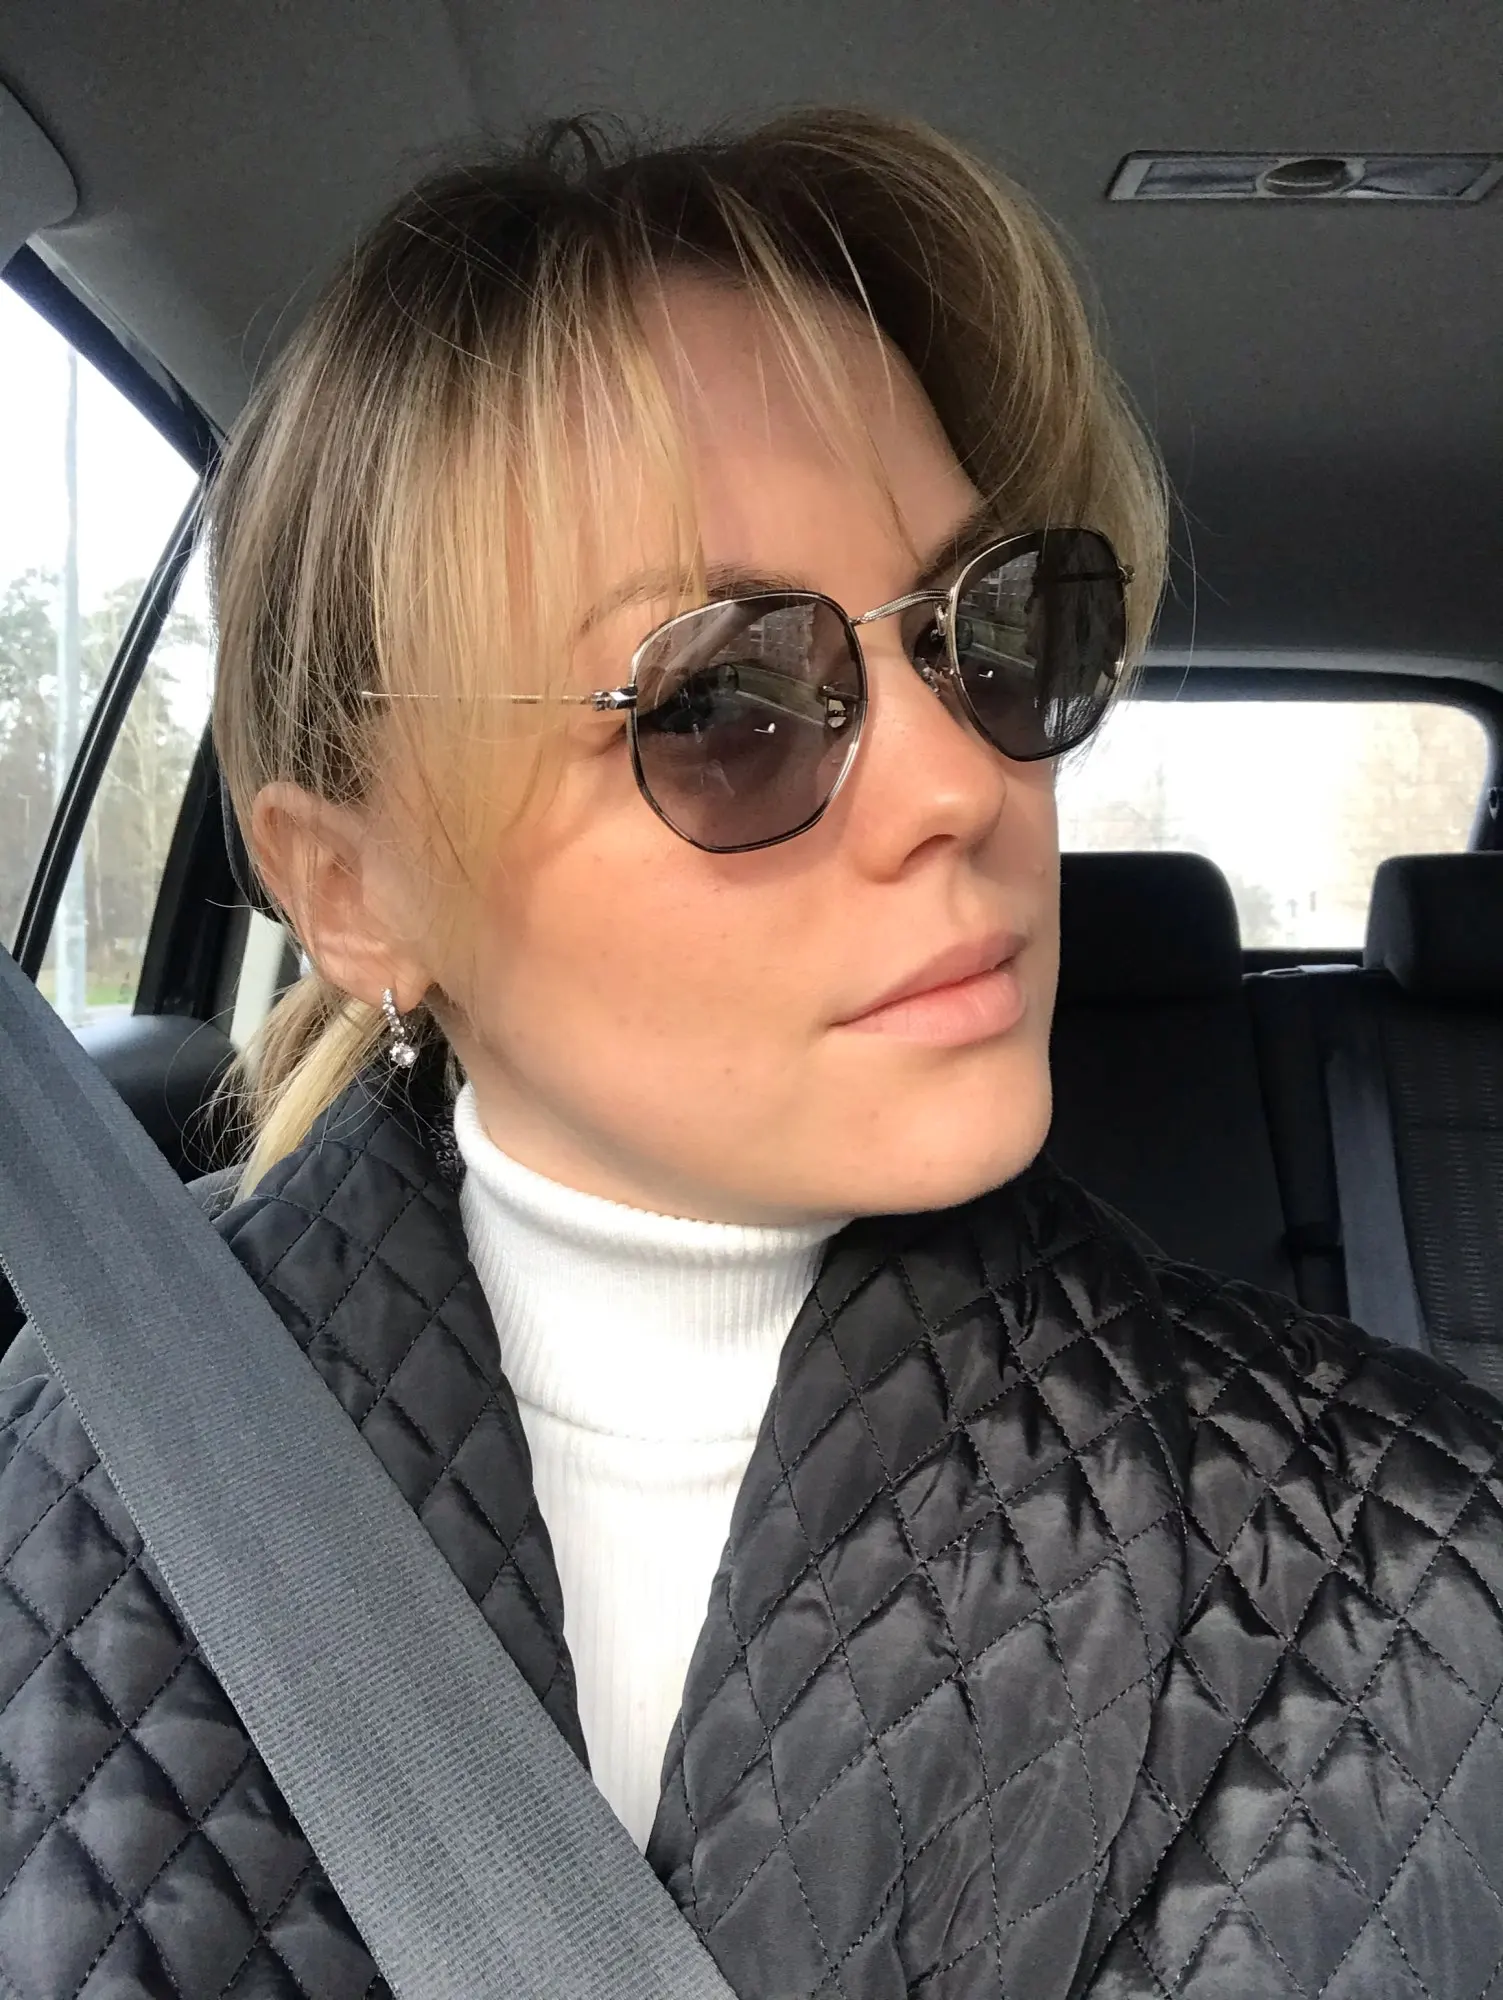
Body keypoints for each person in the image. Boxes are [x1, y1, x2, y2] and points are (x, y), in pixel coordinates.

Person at [1, 109, 1499, 2000]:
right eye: (724, 699)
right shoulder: (65, 1478)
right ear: (353, 890)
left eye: (995, 630)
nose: (964, 782)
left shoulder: (1440, 1565)